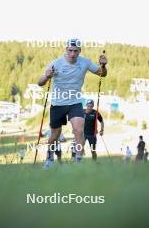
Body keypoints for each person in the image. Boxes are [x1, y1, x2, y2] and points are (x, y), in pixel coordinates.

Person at [37, 38, 107, 168]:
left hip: (75, 103)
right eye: (70, 50)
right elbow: (40, 83)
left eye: (76, 51)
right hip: (58, 104)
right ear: (66, 50)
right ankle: (49, 159)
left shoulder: (85, 62)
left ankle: (78, 163)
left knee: (79, 131)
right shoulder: (56, 63)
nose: (73, 54)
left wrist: (103, 66)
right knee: (55, 135)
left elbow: (102, 74)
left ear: (80, 51)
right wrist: (47, 75)